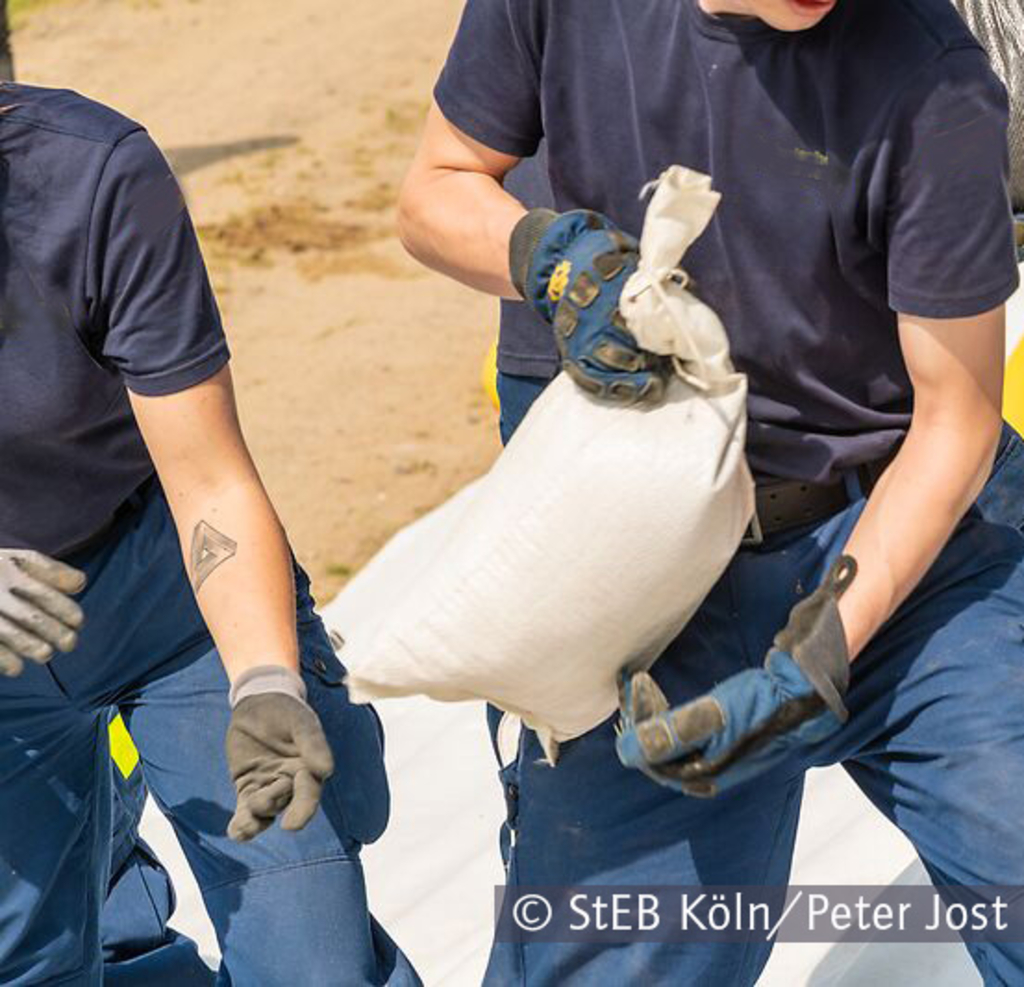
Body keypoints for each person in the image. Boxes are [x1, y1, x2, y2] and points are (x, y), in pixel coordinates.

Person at [398, 0, 1024, 983]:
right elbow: (435, 188)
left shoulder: (931, 79)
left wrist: (818, 650)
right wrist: (546, 262)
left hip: (902, 554)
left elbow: (957, 419)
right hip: (644, 588)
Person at [0, 83, 417, 985]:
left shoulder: (92, 173)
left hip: (159, 583)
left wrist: (267, 684)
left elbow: (212, 481)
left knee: (314, 962)